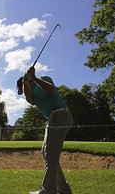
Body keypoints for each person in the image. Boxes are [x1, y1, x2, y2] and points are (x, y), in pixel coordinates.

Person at [17, 66, 73, 194]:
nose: (24, 90)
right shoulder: (32, 94)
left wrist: (34, 77)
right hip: (55, 118)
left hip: (60, 115)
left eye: (23, 87)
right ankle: (63, 189)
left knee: (49, 154)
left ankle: (48, 190)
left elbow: (50, 89)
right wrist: (26, 81)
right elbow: (29, 99)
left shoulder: (43, 79)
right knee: (46, 153)